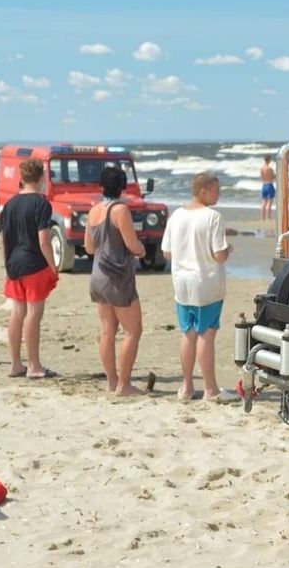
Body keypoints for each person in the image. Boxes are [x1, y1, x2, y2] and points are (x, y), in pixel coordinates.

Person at [162, 171, 237, 403]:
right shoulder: (212, 216)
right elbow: (219, 255)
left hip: (182, 281)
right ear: (203, 191)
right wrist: (229, 249)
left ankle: (186, 387)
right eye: (216, 190)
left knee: (188, 333)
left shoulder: (176, 215)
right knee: (206, 334)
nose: (219, 194)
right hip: (206, 282)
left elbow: (167, 252)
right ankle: (210, 389)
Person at [83, 165, 148, 396]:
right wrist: (142, 251)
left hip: (98, 276)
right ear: (122, 186)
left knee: (107, 331)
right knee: (133, 331)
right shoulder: (120, 210)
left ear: (101, 186)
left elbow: (89, 247)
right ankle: (124, 384)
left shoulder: (94, 211)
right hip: (118, 277)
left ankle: (112, 382)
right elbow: (132, 244)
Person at [0, 158, 60, 379]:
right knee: (34, 313)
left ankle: (16, 363)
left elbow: (4, 240)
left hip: (14, 264)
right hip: (34, 264)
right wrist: (53, 267)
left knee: (17, 312)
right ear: (41, 178)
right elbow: (44, 240)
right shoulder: (41, 203)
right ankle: (34, 365)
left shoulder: (9, 204)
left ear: (21, 179)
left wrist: (6, 266)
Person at [259, 154, 276, 222]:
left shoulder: (262, 168)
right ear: (269, 160)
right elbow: (273, 177)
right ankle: (268, 217)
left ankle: (263, 217)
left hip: (264, 185)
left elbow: (261, 177)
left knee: (264, 202)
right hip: (269, 185)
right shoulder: (270, 168)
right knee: (269, 202)